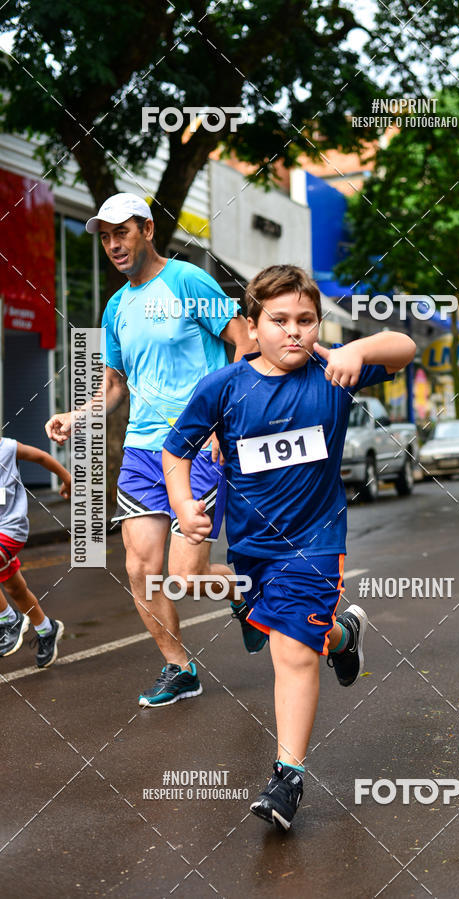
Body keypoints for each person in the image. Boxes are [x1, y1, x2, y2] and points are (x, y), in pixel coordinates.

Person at [163, 264, 416, 829]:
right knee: (297, 634)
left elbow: (404, 347)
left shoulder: (333, 373)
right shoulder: (224, 388)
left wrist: (358, 347)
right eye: (278, 320)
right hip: (252, 550)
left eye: (305, 319)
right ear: (252, 326)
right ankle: (344, 633)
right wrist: (182, 505)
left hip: (317, 540)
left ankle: (287, 778)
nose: (294, 331)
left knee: (291, 653)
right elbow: (176, 452)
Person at [46, 192, 255, 707]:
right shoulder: (116, 306)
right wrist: (78, 415)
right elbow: (115, 386)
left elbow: (245, 338)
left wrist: (221, 419)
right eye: (106, 236)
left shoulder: (188, 280)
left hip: (196, 448)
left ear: (147, 229)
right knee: (140, 569)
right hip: (142, 452)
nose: (114, 244)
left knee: (186, 579)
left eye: (123, 232)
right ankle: (179, 668)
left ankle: (247, 591)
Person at [0, 438, 71, 667]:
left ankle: (9, 620)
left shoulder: (8, 449)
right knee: (16, 589)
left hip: (11, 528)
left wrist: (67, 478)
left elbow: (40, 456)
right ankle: (46, 629)